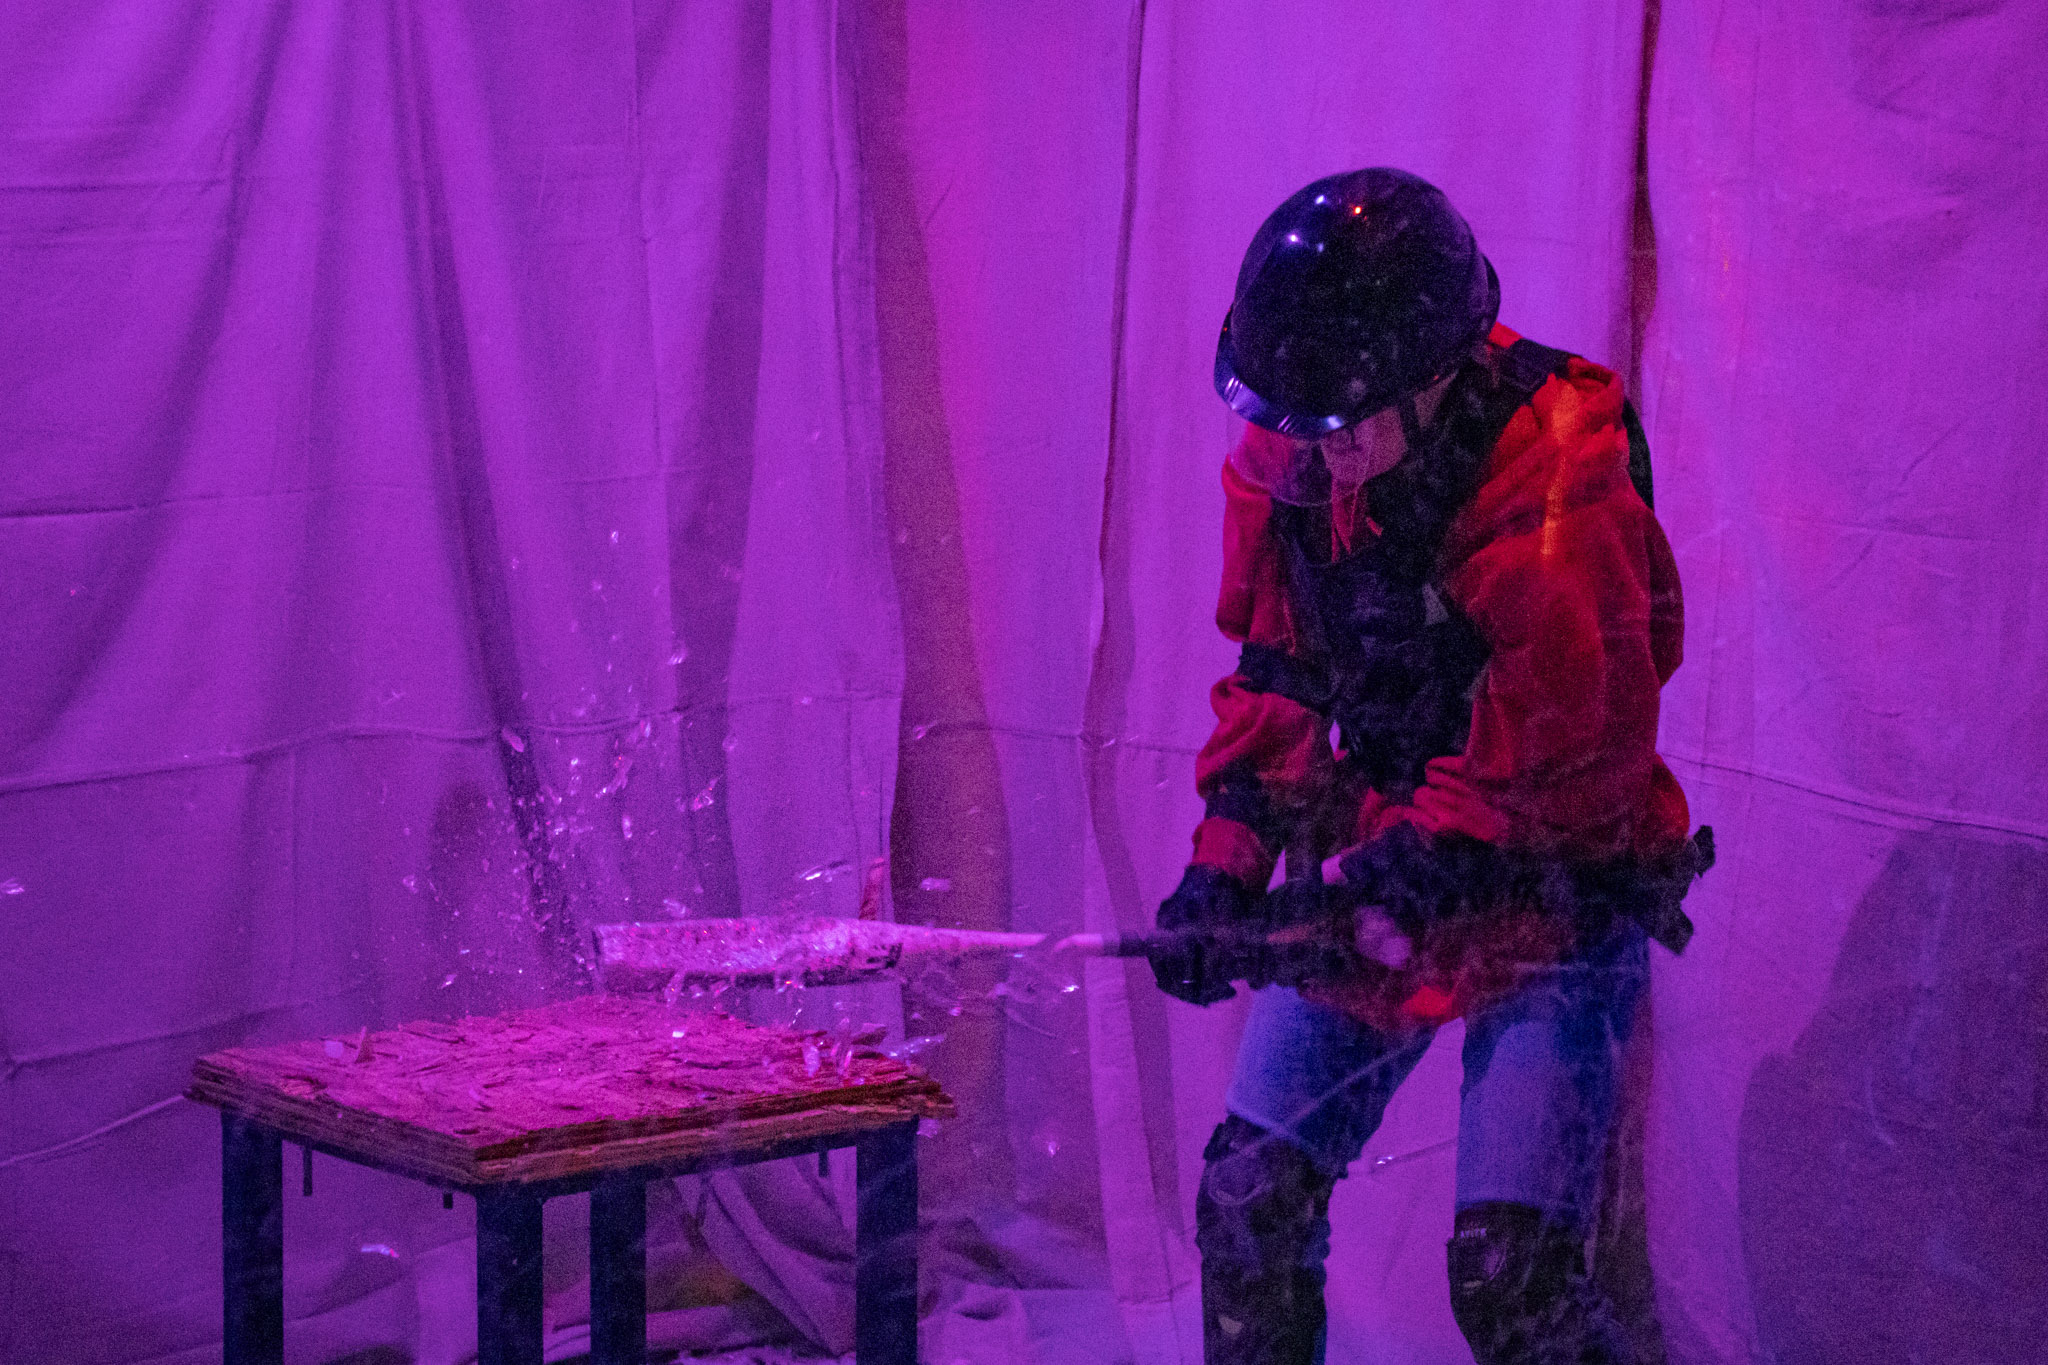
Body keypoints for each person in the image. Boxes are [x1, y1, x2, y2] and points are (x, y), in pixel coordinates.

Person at [1151, 167, 1706, 1365]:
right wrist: (1222, 869)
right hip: (1392, 856)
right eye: (1292, 427)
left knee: (1511, 1282)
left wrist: (1393, 873)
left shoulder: (1555, 480)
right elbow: (1279, 669)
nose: (1309, 458)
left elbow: (1568, 748)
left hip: (1555, 888)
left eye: (1336, 429)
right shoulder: (1302, 448)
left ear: (1431, 380)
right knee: (1248, 1203)